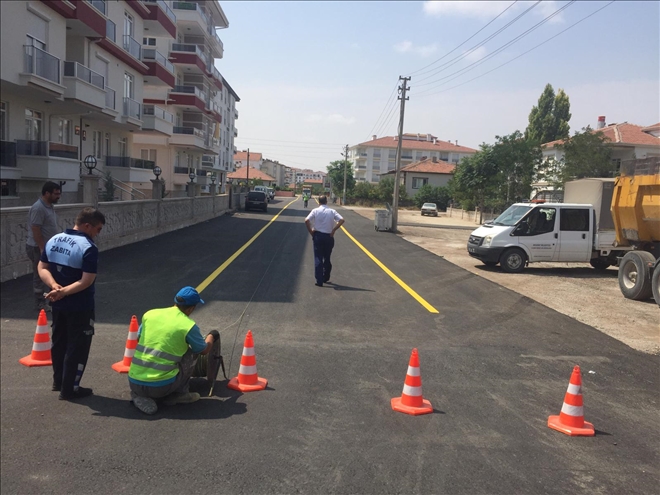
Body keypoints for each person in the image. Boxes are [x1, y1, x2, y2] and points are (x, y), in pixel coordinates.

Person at [38, 207, 106, 401]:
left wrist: (54, 286)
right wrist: (63, 292)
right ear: (87, 225)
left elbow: (42, 267)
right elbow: (86, 281)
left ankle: (58, 381)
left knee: (59, 341)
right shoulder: (88, 247)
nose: (97, 233)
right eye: (97, 229)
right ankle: (70, 389)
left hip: (57, 304)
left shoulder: (54, 239)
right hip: (80, 305)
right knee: (78, 346)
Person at [128, 286, 218, 415]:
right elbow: (203, 350)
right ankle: (179, 393)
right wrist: (211, 337)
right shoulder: (188, 325)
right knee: (189, 353)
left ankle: (138, 395)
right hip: (161, 387)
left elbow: (139, 338)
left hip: (134, 381)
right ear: (192, 308)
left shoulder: (150, 314)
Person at [27, 181, 61, 312]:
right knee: (40, 275)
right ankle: (40, 303)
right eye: (56, 194)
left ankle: (51, 300)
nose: (58, 197)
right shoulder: (38, 208)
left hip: (48, 248)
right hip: (37, 248)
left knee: (50, 274)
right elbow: (35, 229)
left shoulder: (49, 206)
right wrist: (42, 248)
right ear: (47, 193)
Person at [305, 195, 345, 287]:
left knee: (318, 257)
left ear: (319, 202)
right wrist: (334, 230)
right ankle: (326, 277)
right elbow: (342, 220)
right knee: (327, 257)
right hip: (328, 236)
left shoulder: (315, 211)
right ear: (326, 202)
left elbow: (306, 220)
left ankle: (319, 280)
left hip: (318, 236)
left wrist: (311, 232)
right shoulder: (332, 211)